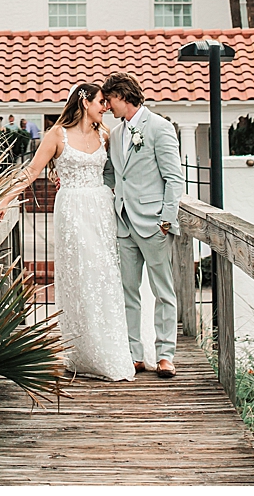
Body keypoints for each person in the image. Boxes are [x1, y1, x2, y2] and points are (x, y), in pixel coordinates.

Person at [11, 84, 134, 381]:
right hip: (72, 210)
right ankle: (80, 351)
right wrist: (5, 199)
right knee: (79, 277)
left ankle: (109, 350)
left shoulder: (106, 135)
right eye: (100, 102)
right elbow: (31, 171)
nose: (105, 107)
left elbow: (123, 171)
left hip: (100, 209)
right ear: (84, 101)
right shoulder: (56, 135)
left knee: (104, 276)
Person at [101, 72, 184, 378]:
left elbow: (174, 177)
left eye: (109, 100)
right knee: (128, 291)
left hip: (154, 225)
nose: (107, 107)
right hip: (124, 223)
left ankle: (165, 355)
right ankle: (135, 354)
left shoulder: (160, 128)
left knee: (163, 291)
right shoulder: (118, 133)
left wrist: (166, 219)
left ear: (122, 97)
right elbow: (114, 176)